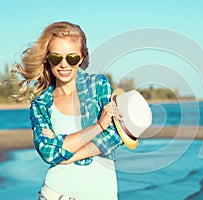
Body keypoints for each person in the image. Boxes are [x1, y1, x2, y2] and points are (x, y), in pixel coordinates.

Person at [14, 21, 124, 200]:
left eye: (71, 58)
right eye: (56, 58)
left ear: (81, 58)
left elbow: (116, 135)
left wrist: (66, 155)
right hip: (57, 194)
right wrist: (98, 126)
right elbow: (48, 152)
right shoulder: (41, 104)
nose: (64, 65)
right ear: (47, 59)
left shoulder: (98, 86)